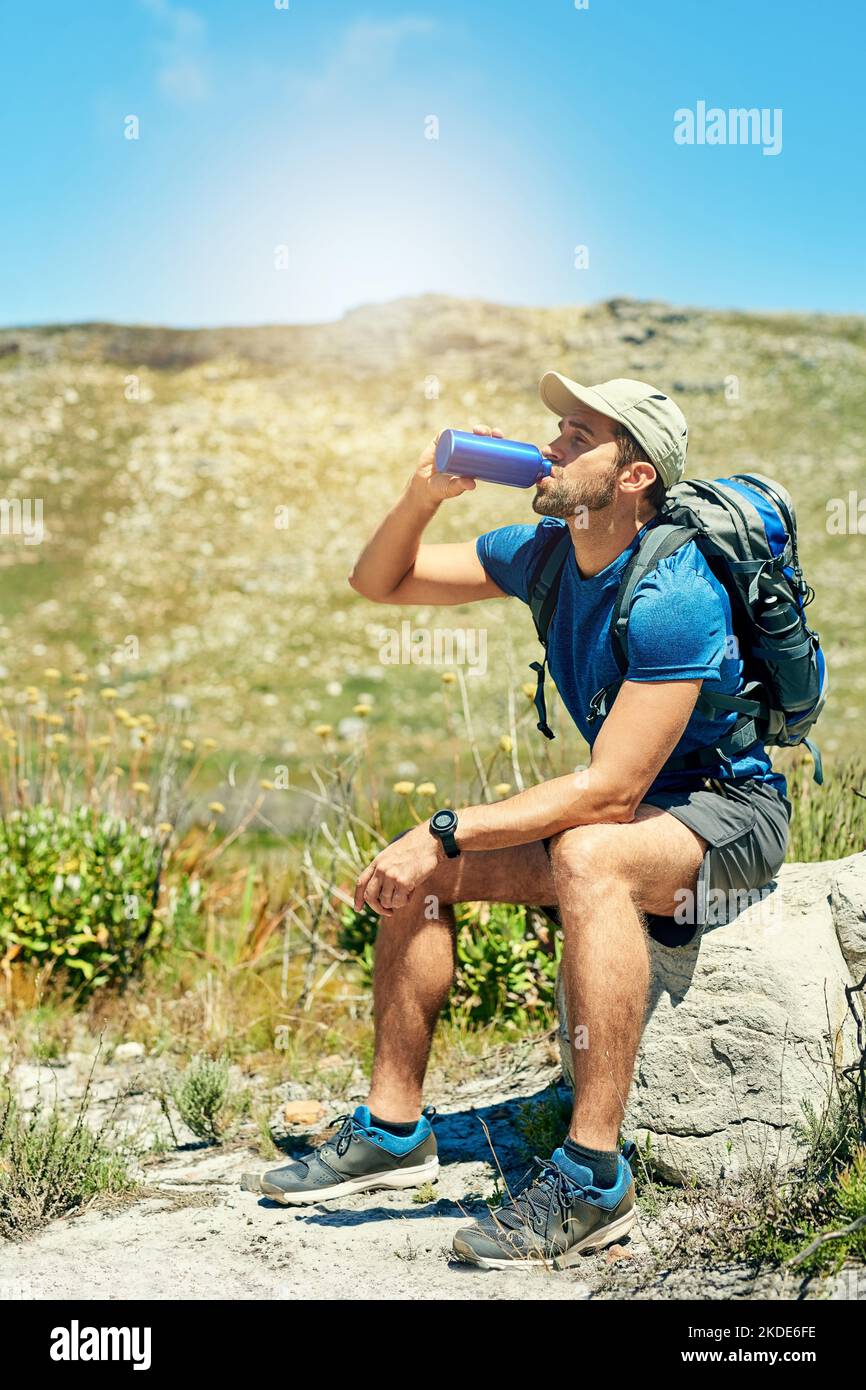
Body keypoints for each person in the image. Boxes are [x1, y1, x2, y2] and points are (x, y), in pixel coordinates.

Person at [248, 375, 791, 1271]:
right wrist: (423, 495)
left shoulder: (675, 589)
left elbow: (612, 795)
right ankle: (392, 1132)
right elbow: (380, 581)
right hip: (639, 816)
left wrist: (448, 824)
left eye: (580, 436)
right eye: (556, 429)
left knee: (586, 852)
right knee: (425, 877)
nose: (552, 446)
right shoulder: (544, 552)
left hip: (728, 821)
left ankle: (592, 1177)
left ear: (634, 477)